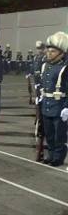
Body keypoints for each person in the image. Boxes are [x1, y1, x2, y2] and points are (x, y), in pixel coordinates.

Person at [39, 32, 68, 167]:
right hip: (46, 104)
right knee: (49, 133)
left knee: (59, 135)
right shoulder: (45, 65)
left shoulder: (65, 68)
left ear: (61, 52)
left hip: (59, 106)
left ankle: (58, 156)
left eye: (53, 51)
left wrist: (67, 107)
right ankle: (50, 154)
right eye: (48, 50)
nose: (49, 53)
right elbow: (43, 83)